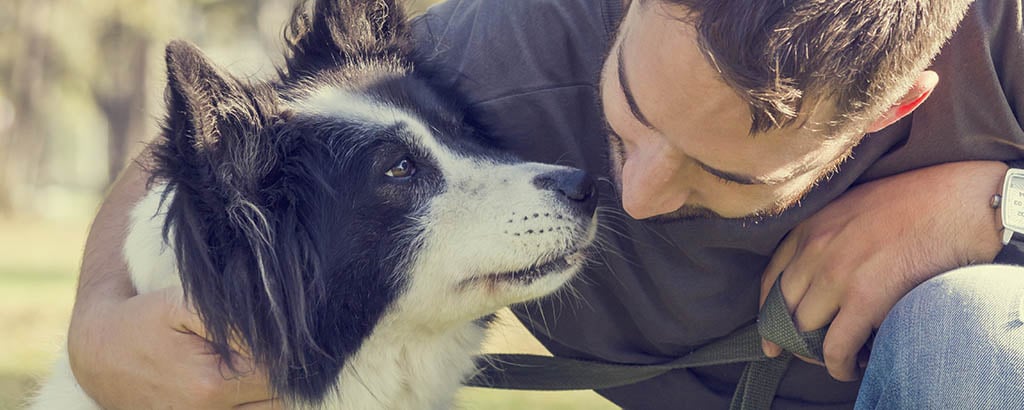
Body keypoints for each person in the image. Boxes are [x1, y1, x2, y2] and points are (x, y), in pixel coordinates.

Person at [66, 0, 1024, 408]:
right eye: (628, 120)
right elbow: (233, 140)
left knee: (967, 331)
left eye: (720, 175)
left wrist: (992, 202)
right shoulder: (505, 51)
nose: (637, 197)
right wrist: (98, 325)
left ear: (896, 104)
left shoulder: (1001, 35)